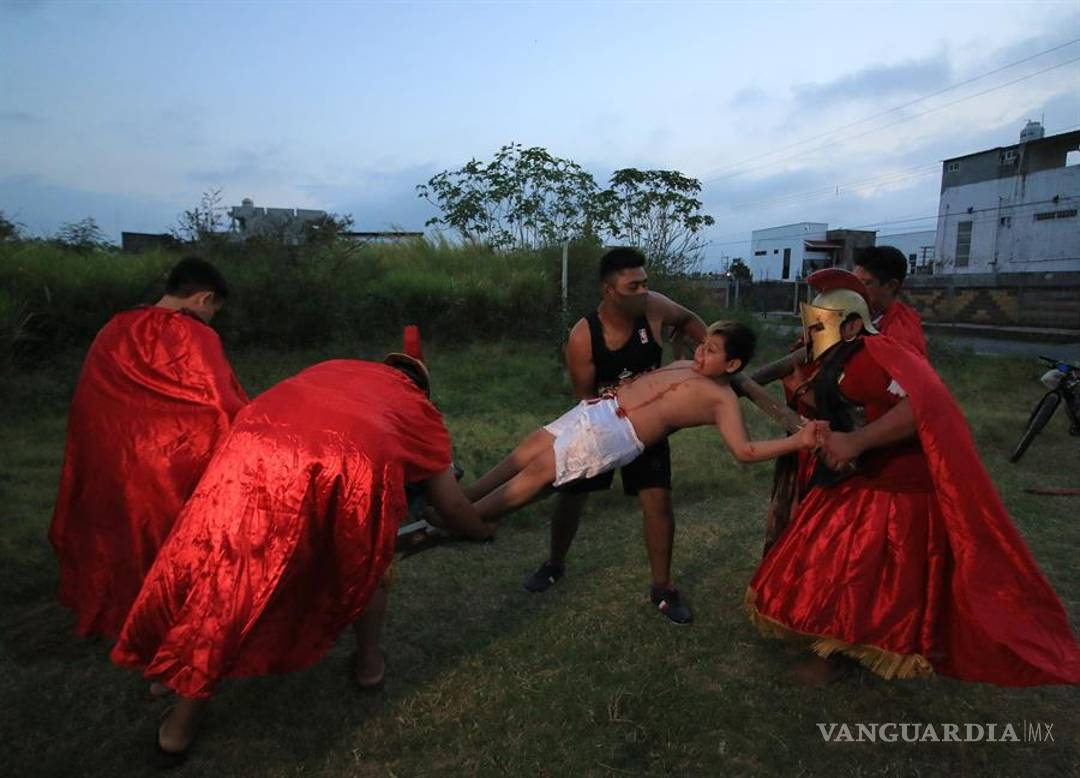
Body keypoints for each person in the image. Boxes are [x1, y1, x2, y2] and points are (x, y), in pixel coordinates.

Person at [111, 331, 494, 761]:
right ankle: (368, 665)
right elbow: (451, 503)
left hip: (251, 441)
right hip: (337, 464)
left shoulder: (339, 367)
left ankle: (173, 690)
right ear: (422, 389)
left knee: (222, 568)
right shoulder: (420, 410)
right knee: (368, 561)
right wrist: (481, 531)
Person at [746, 285, 1080, 687]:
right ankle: (830, 647)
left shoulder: (873, 357)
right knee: (825, 564)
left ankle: (829, 656)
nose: (809, 334)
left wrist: (856, 441)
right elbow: (855, 411)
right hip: (862, 478)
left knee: (845, 575)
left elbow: (920, 405)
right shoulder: (848, 358)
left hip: (893, 489)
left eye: (819, 326)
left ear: (851, 326)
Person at [49, 256, 248, 640]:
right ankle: (164, 618)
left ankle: (111, 609)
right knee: (168, 537)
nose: (211, 320)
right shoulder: (195, 335)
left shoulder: (113, 327)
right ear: (204, 298)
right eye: (213, 311)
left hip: (106, 458)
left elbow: (92, 399)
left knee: (114, 533)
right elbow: (218, 405)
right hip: (166, 466)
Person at [464, 321, 827, 520]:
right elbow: (672, 379)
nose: (701, 353)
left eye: (711, 351)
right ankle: (466, 499)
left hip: (618, 433)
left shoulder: (723, 400)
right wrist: (685, 351)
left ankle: (469, 519)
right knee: (532, 445)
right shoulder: (690, 363)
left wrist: (799, 440)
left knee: (543, 467)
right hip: (600, 407)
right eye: (703, 346)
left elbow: (744, 450)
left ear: (732, 366)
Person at [524, 247, 709, 625]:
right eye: (633, 286)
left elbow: (689, 319)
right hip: (603, 427)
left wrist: (710, 354)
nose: (643, 291)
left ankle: (662, 588)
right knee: (571, 496)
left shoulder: (654, 308)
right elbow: (586, 400)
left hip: (650, 428)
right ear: (610, 291)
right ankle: (554, 563)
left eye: (645, 282)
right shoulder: (582, 336)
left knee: (658, 501)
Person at [852, 244, 928, 356]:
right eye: (855, 281)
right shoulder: (863, 315)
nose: (856, 289)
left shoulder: (901, 335)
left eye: (866, 283)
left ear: (891, 286)